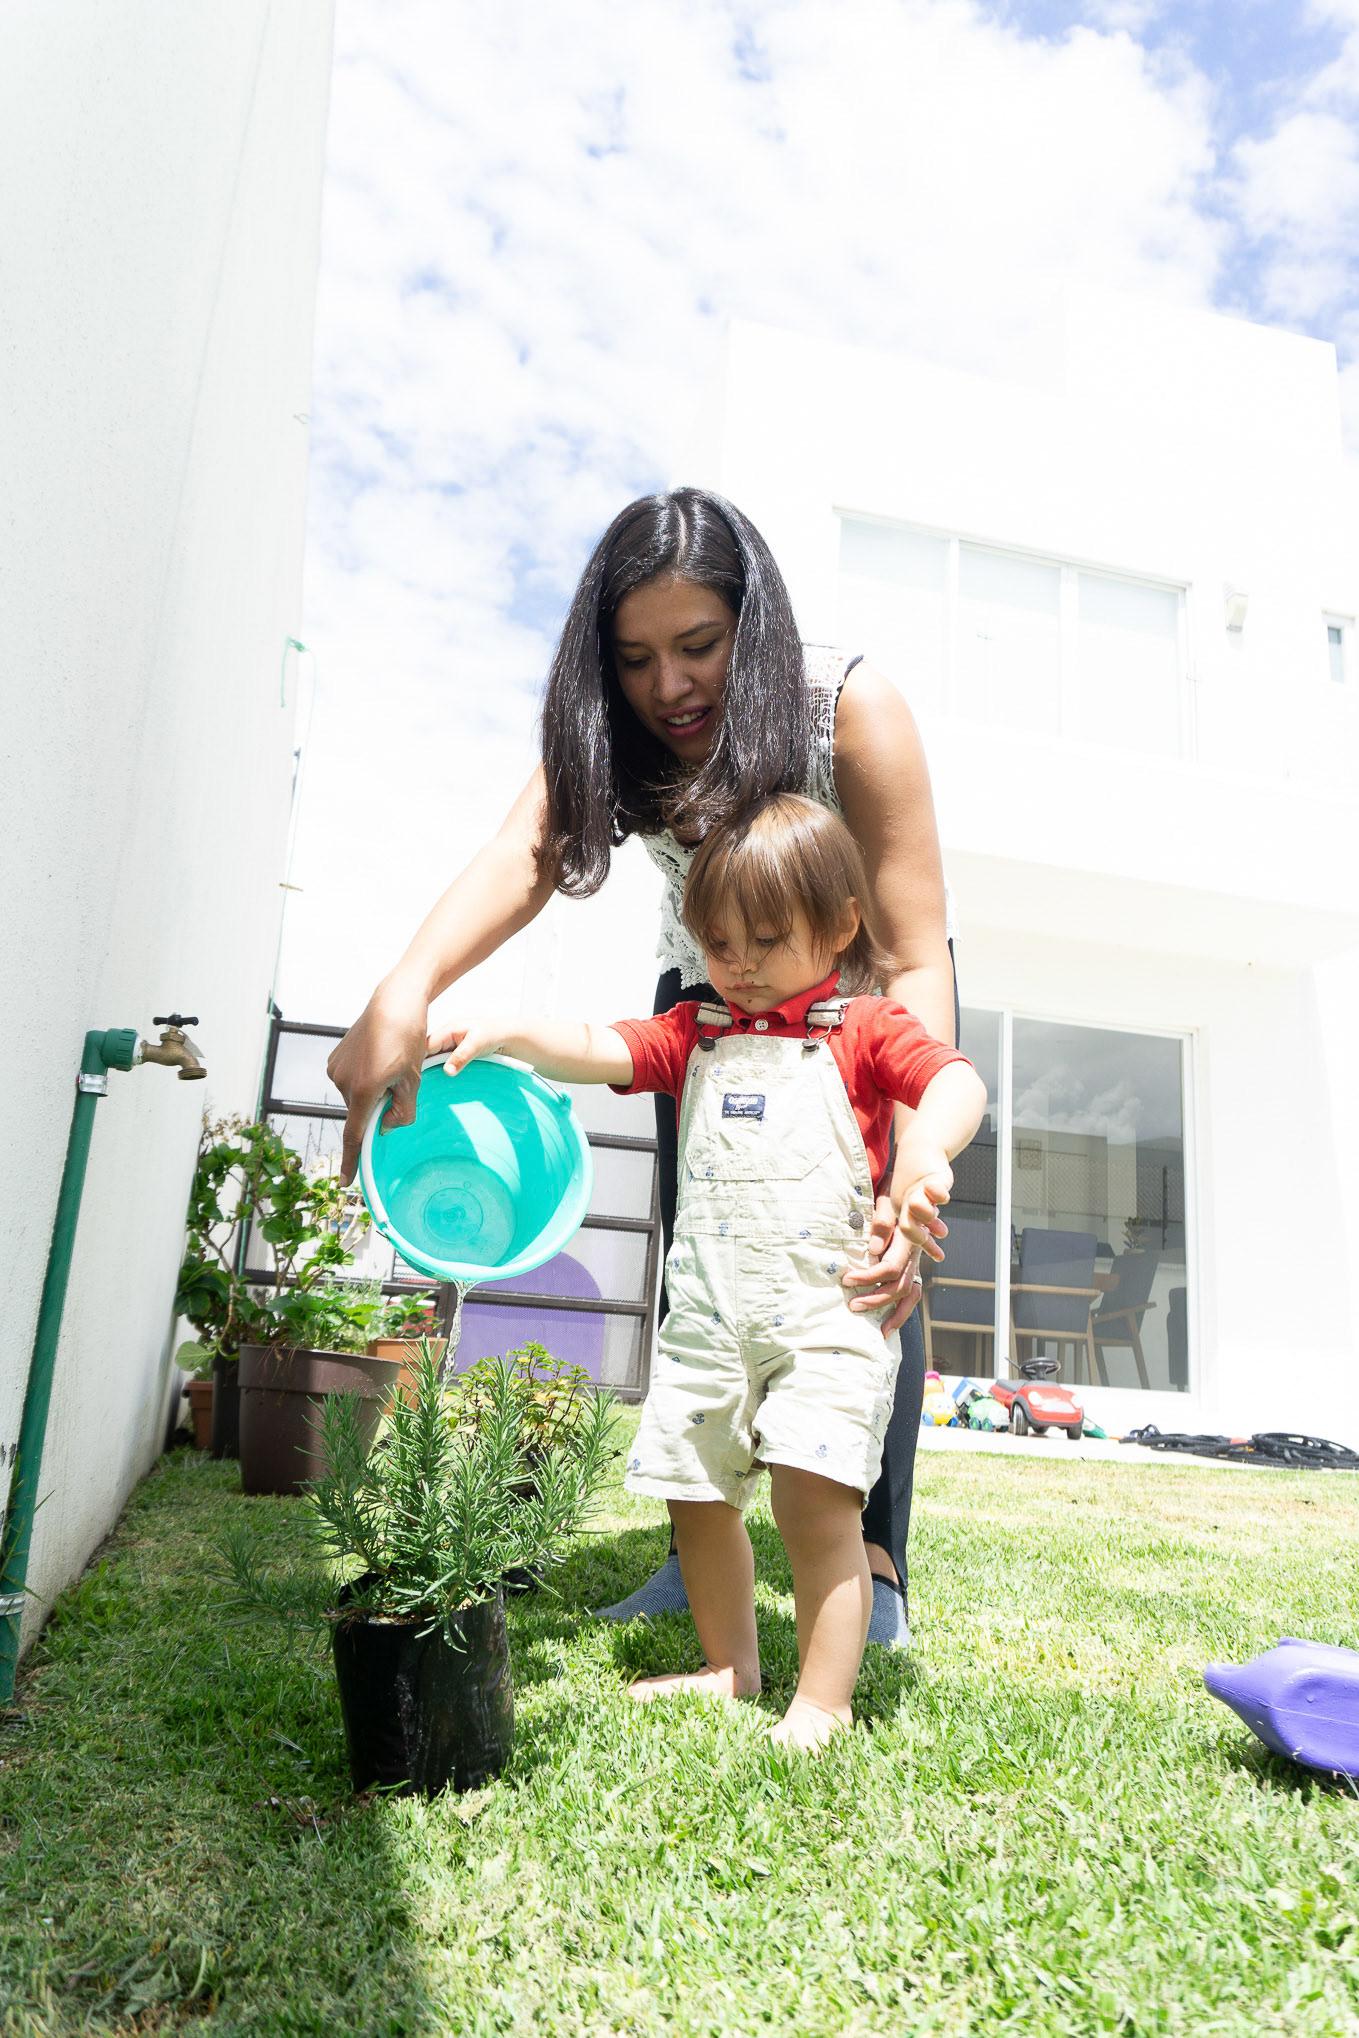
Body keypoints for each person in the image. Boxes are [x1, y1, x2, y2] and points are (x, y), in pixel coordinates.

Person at [327, 486, 957, 1647]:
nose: (668, 685)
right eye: (636, 657)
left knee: (859, 1267)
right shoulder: (616, 726)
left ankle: (876, 1559)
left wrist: (909, 1137)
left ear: (751, 629)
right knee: (707, 1255)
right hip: (707, 1002)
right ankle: (699, 1543)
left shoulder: (848, 708)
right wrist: (406, 990)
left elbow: (915, 950)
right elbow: (525, 850)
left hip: (859, 995)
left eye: (700, 647)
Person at [428, 797, 985, 1748]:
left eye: (767, 939)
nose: (741, 962)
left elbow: (955, 1080)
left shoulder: (865, 1027)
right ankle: (729, 1667)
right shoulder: (696, 1029)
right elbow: (605, 1047)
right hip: (710, 1316)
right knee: (694, 1491)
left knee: (814, 1500)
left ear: (841, 925)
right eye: (719, 941)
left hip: (827, 1313)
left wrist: (924, 1148)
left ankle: (822, 1699)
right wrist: (513, 1033)